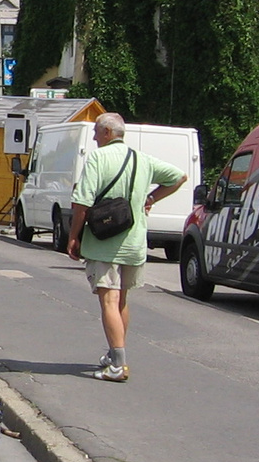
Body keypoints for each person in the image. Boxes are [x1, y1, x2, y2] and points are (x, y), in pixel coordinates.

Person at [66, 112, 186, 382]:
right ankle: (114, 354)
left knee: (108, 299)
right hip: (134, 242)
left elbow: (82, 202)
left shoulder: (97, 158)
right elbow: (179, 177)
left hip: (105, 241)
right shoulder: (141, 159)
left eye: (97, 132)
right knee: (121, 300)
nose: (95, 137)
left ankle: (118, 365)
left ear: (108, 132)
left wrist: (74, 237)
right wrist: (151, 197)